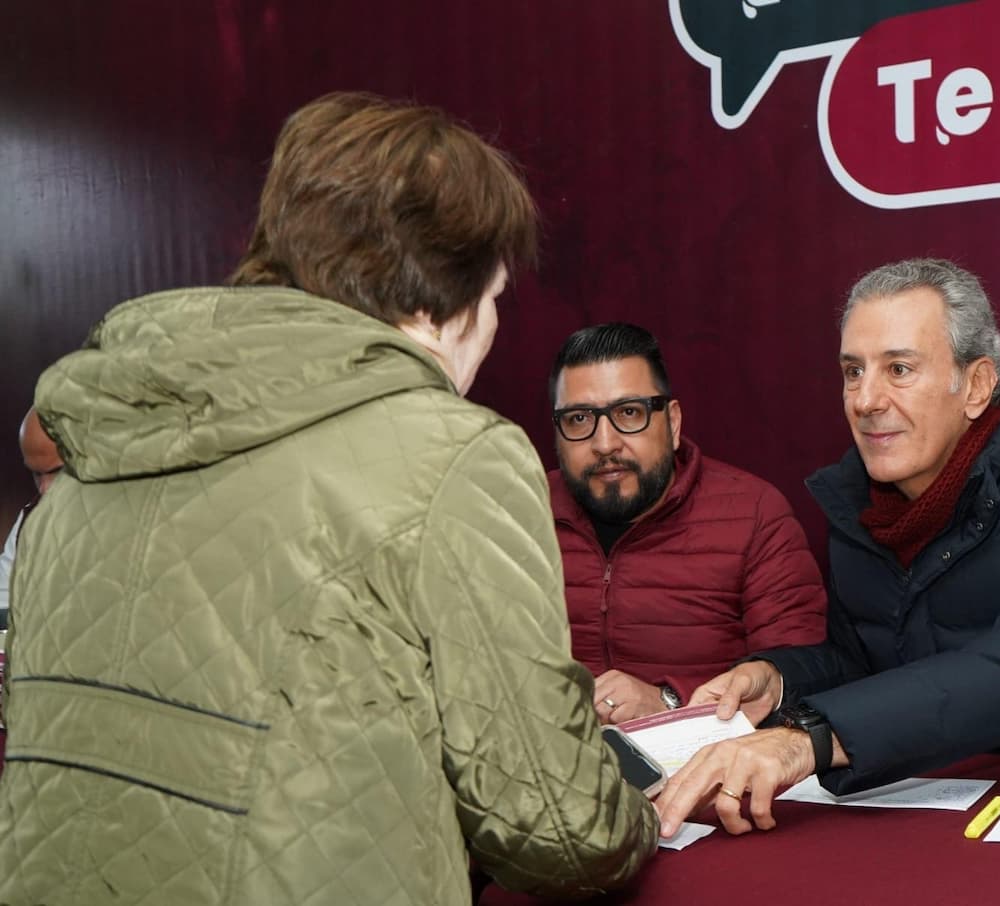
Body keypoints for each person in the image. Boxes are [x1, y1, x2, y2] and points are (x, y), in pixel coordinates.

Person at [0, 93, 657, 905]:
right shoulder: (453, 457)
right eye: (492, 300)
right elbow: (562, 833)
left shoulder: (92, 451)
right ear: (432, 303)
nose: (491, 330)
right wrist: (644, 809)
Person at [656, 258, 1000, 838]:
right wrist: (780, 680)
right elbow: (865, 664)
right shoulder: (856, 500)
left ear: (977, 385)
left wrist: (813, 738)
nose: (866, 400)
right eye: (853, 371)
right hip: (936, 804)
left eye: (899, 369)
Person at [548, 323, 827, 724]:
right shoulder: (519, 512)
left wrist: (670, 703)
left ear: (673, 423)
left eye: (630, 413)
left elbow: (803, 678)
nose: (604, 443)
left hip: (709, 773)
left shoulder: (754, 514)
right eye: (578, 419)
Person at [0, 408, 64, 628]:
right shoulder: (31, 519)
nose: (44, 488)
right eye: (37, 473)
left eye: (58, 471)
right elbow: (4, 600)